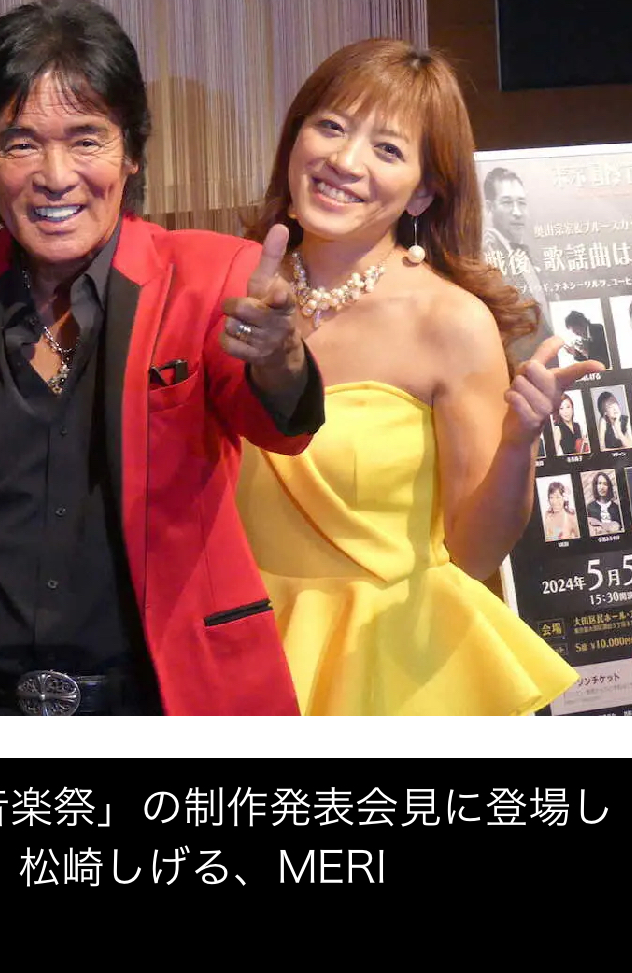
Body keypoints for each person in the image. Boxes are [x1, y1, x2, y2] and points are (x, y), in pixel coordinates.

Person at [0, 0, 323, 716]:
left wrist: (280, 357)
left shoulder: (213, 277)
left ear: (131, 151)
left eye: (86, 139)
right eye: (20, 143)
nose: (55, 175)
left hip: (166, 697)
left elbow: (282, 428)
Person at [235, 38, 591, 715]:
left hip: (393, 662)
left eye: (387, 149)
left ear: (424, 191)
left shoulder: (450, 322)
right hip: (238, 642)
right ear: (295, 138)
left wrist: (519, 442)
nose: (345, 161)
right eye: (331, 126)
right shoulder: (231, 286)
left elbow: (474, 551)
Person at [481, 166, 551, 363]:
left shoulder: (525, 254)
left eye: (521, 203)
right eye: (507, 203)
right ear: (490, 207)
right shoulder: (485, 255)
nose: (517, 212)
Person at [585, 471, 622, 535]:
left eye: (605, 484)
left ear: (609, 487)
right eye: (599, 483)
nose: (602, 487)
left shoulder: (616, 507)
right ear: (595, 486)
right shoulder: (589, 507)